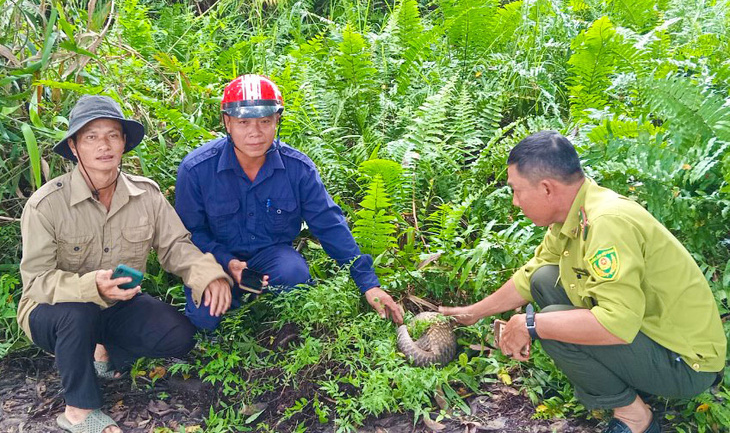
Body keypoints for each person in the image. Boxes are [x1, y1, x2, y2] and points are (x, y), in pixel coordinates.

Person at [439, 131, 725, 433]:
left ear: (547, 188)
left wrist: (530, 326)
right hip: (650, 333)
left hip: (686, 364)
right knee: (544, 279)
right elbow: (529, 276)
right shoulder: (574, 213)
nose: (514, 201)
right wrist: (472, 313)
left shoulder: (607, 223)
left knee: (548, 324)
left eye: (517, 190)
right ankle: (628, 381)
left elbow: (618, 323)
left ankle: (635, 418)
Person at [17, 95, 233, 433]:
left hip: (118, 304)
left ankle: (101, 351)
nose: (104, 145)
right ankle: (78, 410)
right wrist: (92, 287)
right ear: (74, 146)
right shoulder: (45, 205)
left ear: (123, 143)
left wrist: (209, 276)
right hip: (52, 311)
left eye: (113, 135)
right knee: (80, 312)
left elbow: (176, 245)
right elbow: (38, 282)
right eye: (91, 136)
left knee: (179, 336)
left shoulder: (146, 195)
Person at [175, 74, 403, 330]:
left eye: (264, 121)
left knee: (294, 274)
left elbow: (329, 225)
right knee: (204, 320)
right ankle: (228, 301)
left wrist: (369, 285)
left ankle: (275, 317)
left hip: (271, 257)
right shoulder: (196, 170)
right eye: (243, 122)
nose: (255, 133)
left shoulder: (298, 169)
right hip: (215, 259)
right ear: (227, 123)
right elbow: (190, 234)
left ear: (277, 120)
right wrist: (227, 262)